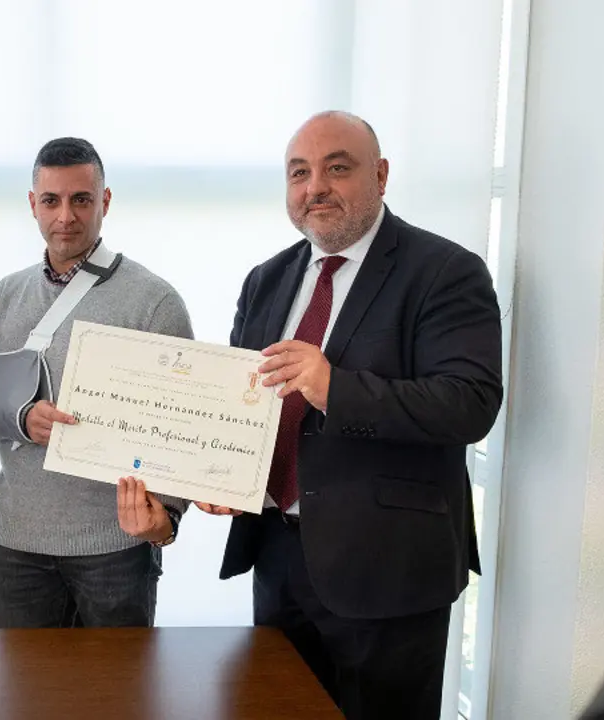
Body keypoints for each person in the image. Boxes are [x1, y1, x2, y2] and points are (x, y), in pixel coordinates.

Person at [191, 111, 503, 719]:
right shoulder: (266, 280)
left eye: (337, 168)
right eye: (299, 173)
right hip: (278, 558)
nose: (315, 188)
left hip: (390, 570)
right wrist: (224, 476)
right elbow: (244, 408)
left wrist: (335, 387)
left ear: (380, 175)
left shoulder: (445, 271)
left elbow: (470, 404)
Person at [0, 137, 193, 628]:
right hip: (19, 542)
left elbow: (182, 426)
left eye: (81, 199)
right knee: (21, 678)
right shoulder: (5, 296)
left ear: (105, 202)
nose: (65, 216)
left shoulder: (154, 302)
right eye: (51, 200)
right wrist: (22, 418)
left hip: (116, 545)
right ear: (33, 204)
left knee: (117, 678)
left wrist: (167, 518)